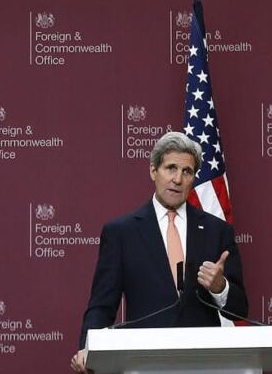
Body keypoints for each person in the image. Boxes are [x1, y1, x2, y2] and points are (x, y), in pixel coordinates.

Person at [70, 132, 248, 373]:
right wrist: (86, 349)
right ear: (153, 171)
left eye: (186, 172)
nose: (177, 179)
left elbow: (240, 309)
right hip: (143, 362)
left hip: (205, 362)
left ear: (193, 178)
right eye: (170, 168)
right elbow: (102, 305)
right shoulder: (122, 232)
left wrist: (220, 287)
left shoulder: (218, 231)